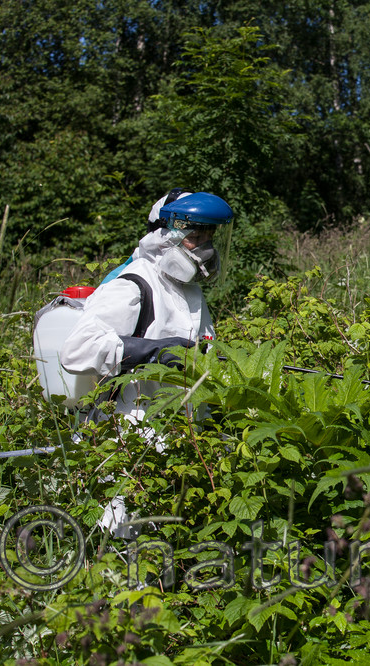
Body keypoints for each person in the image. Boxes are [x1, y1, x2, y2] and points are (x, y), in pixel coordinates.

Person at [60, 189, 233, 537]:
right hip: (126, 441)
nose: (206, 249)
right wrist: (152, 351)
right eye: (195, 237)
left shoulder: (190, 292)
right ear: (165, 235)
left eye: (210, 237)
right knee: (127, 560)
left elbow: (203, 349)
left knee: (168, 556)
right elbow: (76, 349)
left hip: (178, 444)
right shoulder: (135, 284)